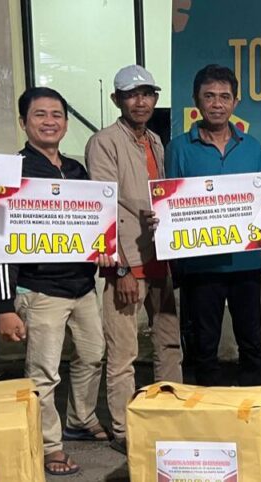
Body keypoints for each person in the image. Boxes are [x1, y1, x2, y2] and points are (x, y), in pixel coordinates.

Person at [0, 87, 115, 475]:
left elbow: (94, 225)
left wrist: (103, 248)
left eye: (57, 115)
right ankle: (48, 446)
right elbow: (0, 242)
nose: (50, 122)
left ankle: (80, 419)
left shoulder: (76, 171)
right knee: (43, 373)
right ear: (23, 122)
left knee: (92, 354)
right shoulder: (12, 173)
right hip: (40, 289)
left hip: (82, 287)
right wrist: (5, 305)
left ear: (65, 122)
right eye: (40, 115)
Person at [86, 65, 181, 455]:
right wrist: (121, 268)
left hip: (161, 258)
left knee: (169, 344)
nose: (141, 102)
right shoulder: (103, 142)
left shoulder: (156, 140)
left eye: (147, 94)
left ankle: (169, 418)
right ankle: (125, 431)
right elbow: (102, 207)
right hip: (127, 262)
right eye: (131, 95)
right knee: (124, 354)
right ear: (117, 100)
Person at [168, 64, 261, 388]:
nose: (217, 104)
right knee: (204, 344)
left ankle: (253, 401)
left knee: (251, 339)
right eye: (209, 96)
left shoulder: (252, 146)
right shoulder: (178, 148)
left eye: (225, 96)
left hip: (245, 260)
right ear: (196, 100)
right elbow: (168, 203)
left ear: (236, 101)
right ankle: (207, 404)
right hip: (200, 264)